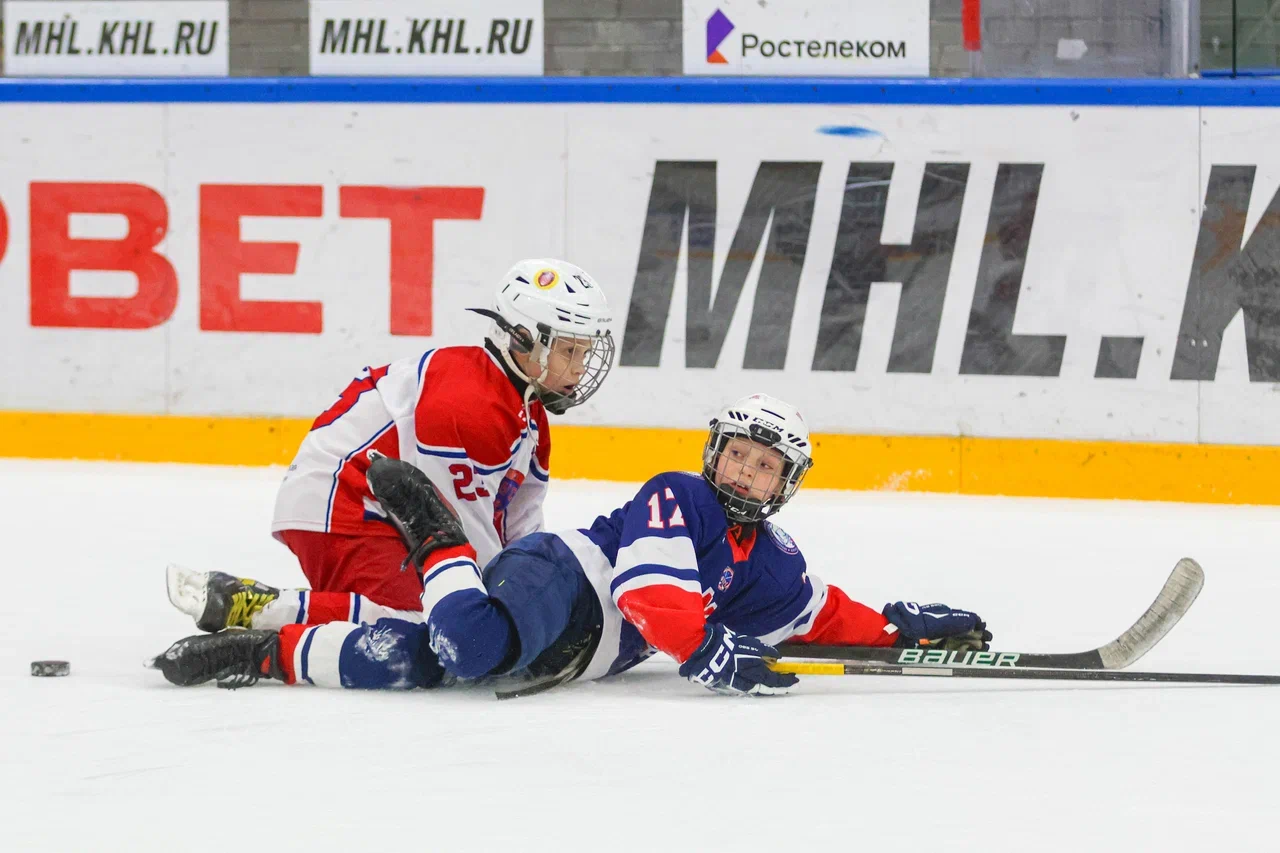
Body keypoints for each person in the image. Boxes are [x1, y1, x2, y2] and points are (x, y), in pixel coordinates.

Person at [151, 394, 990, 697]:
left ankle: (265, 641)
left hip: (574, 652)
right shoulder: (681, 493)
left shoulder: (774, 560)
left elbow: (815, 615)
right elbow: (653, 601)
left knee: (420, 659)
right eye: (736, 449)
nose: (743, 468)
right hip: (566, 579)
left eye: (763, 463)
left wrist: (893, 630)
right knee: (472, 641)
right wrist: (708, 652)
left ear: (785, 483)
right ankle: (435, 534)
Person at [164, 258, 615, 636]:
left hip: (379, 511)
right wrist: (513, 611)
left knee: (463, 616)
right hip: (343, 507)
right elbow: (455, 533)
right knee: (440, 624)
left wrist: (538, 586)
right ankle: (264, 609)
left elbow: (520, 523)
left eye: (585, 351)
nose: (579, 367)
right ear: (521, 339)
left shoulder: (527, 410)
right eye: (569, 351)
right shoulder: (468, 402)